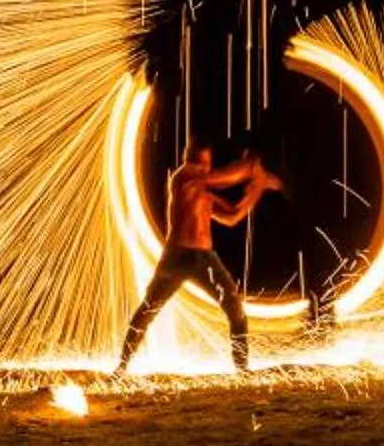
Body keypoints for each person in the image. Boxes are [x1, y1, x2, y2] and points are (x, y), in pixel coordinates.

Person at [114, 141, 283, 375]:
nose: (202, 171)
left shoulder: (204, 193)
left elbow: (232, 217)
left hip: (204, 259)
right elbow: (223, 177)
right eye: (197, 165)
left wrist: (257, 188)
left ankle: (242, 368)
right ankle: (121, 367)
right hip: (176, 257)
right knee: (149, 308)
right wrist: (249, 168)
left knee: (235, 308)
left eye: (205, 166)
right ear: (187, 160)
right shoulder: (182, 180)